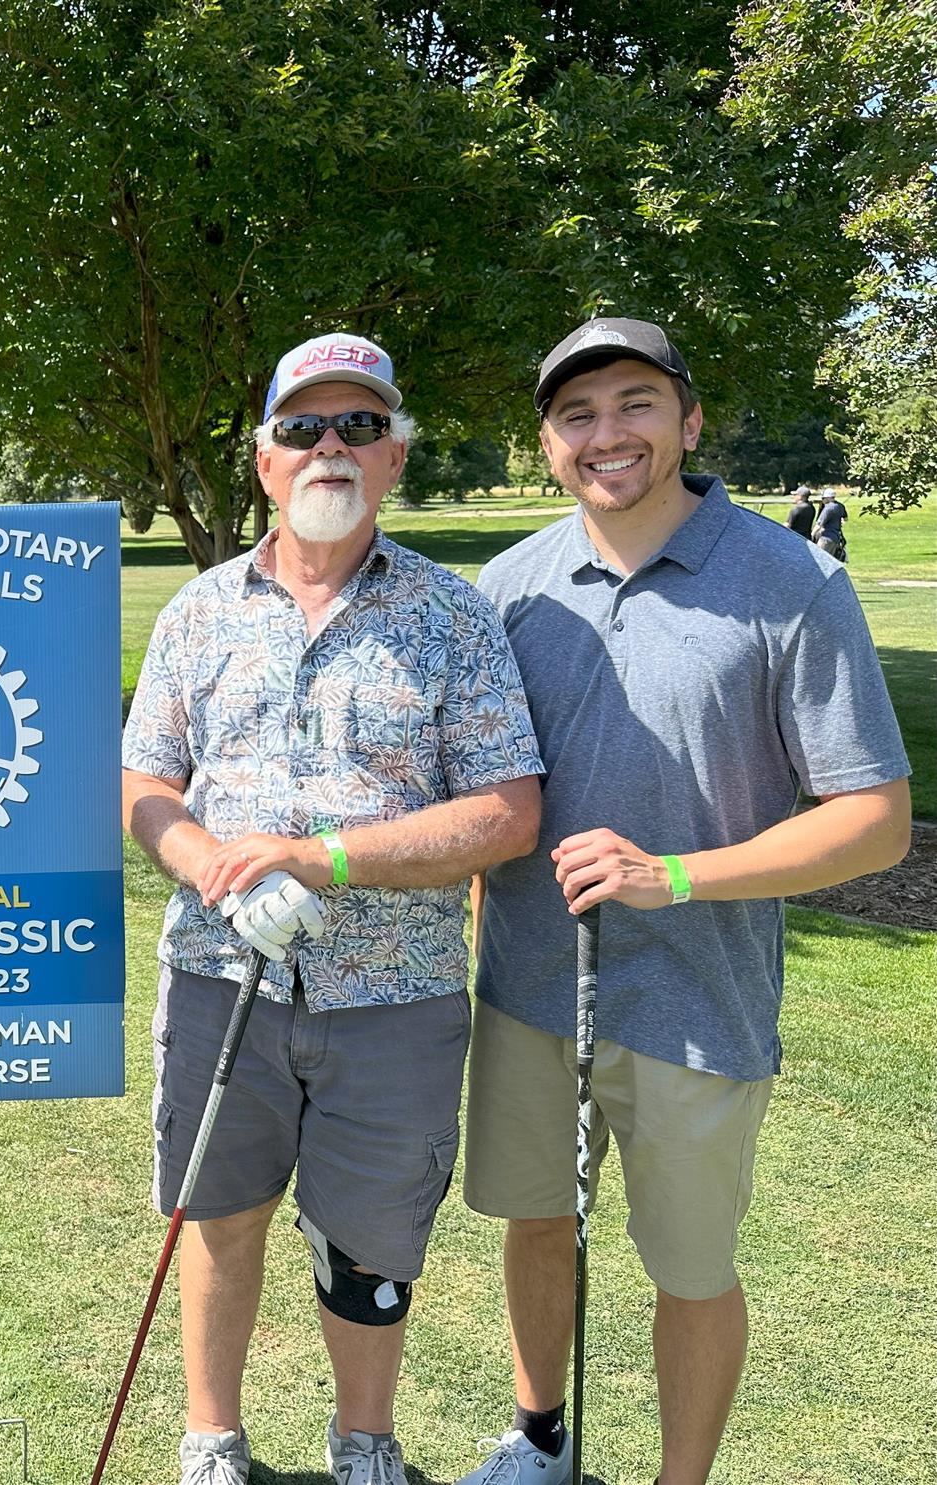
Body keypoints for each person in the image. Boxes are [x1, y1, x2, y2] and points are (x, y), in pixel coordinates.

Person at [459, 318, 910, 1485]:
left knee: (692, 1268)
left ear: (690, 419)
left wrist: (675, 876)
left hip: (700, 1005)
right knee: (536, 1223)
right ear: (550, 442)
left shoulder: (790, 580)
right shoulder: (507, 589)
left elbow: (874, 820)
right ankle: (539, 1441)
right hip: (526, 990)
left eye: (635, 403)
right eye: (577, 414)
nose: (607, 434)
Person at [122, 333, 544, 1485]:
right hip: (220, 981)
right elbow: (146, 783)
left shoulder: (453, 617)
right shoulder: (198, 613)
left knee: (371, 1238)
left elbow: (508, 812)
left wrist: (320, 860)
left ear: (395, 456)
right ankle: (212, 1442)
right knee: (221, 1215)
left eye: (359, 426)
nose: (330, 448)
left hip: (394, 996)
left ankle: (365, 1445)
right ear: (263, 460)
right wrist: (212, 859)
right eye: (304, 428)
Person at [813, 486, 848, 562]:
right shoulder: (841, 506)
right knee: (829, 562)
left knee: (819, 560)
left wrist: (812, 535)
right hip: (836, 538)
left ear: (828, 498)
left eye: (823, 498)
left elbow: (819, 524)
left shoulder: (828, 508)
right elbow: (845, 519)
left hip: (826, 538)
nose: (823, 500)